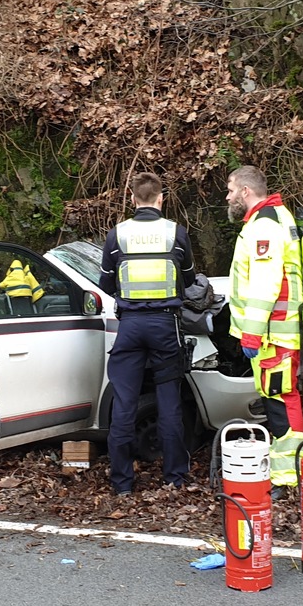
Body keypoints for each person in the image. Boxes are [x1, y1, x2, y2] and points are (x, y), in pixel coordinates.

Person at [99, 171, 197, 495]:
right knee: (169, 403)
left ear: (132, 199)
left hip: (129, 325)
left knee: (124, 403)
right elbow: (190, 278)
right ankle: (174, 479)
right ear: (161, 199)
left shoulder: (118, 235)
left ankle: (123, 483)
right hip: (165, 324)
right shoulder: (175, 233)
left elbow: (106, 285)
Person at [225, 165, 303, 493]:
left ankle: (287, 476)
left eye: (231, 189)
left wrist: (252, 332)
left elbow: (264, 284)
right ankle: (288, 470)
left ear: (246, 191)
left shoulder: (264, 226)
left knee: (280, 400)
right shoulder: (276, 217)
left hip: (273, 333)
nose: (228, 196)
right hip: (278, 331)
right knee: (279, 397)